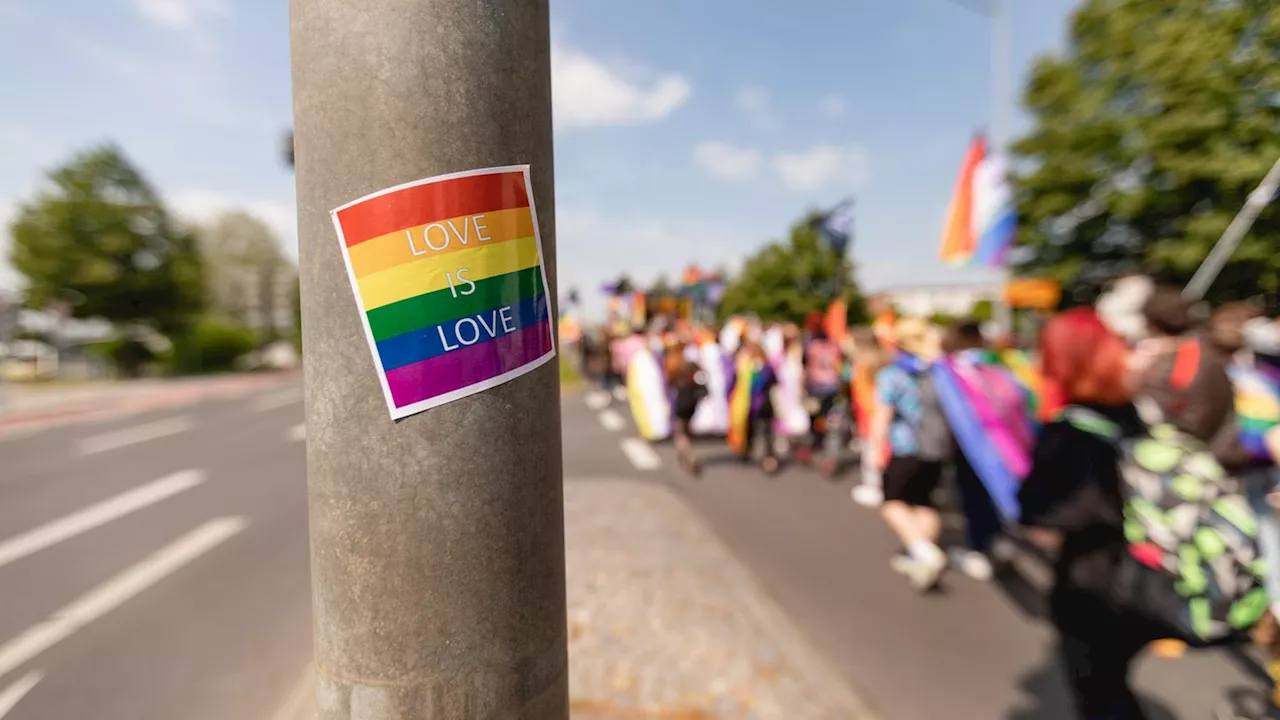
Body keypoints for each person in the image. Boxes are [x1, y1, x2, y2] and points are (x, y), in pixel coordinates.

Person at [1019, 308, 1175, 720]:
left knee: (1099, 693)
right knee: (1115, 681)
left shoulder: (1068, 433)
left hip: (1097, 587)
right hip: (1154, 575)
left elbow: (1043, 525)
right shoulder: (1133, 413)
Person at [869, 317, 949, 590]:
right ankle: (920, 554)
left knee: (893, 503)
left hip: (905, 449)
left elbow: (882, 416)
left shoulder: (893, 374)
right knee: (924, 503)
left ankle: (923, 552)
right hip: (936, 449)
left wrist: (875, 449)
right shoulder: (939, 373)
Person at [801, 313, 846, 472]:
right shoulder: (834, 345)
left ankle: (813, 447)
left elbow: (805, 368)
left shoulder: (810, 345)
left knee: (814, 420)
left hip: (816, 387)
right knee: (832, 422)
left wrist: (803, 387)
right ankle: (830, 457)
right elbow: (839, 367)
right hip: (832, 387)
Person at [727, 340, 780, 474]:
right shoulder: (764, 366)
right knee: (765, 431)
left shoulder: (746, 367)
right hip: (763, 403)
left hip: (752, 404)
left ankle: (749, 453)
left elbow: (733, 384)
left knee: (754, 430)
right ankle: (767, 456)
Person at [665, 342, 706, 475]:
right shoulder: (693, 366)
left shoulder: (674, 364)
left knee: (680, 433)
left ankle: (689, 455)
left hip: (681, 401)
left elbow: (669, 382)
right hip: (692, 402)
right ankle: (685, 456)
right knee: (687, 430)